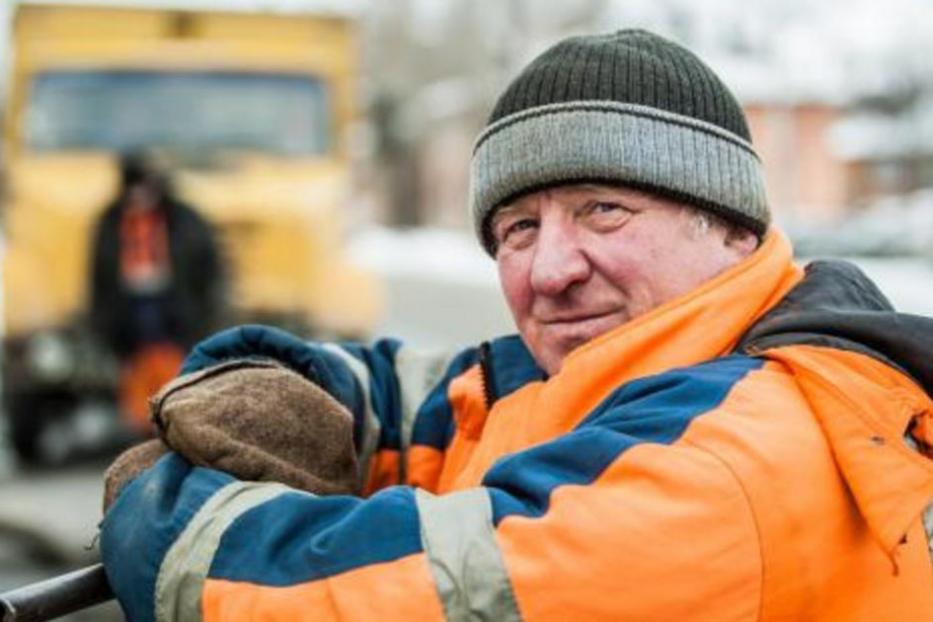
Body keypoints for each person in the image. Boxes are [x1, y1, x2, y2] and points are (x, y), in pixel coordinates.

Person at [100, 30, 933, 620]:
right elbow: (443, 399)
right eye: (518, 229)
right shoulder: (662, 363)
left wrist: (157, 507)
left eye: (603, 210)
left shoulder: (719, 468)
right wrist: (292, 381)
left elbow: (306, 597)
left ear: (733, 229)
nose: (549, 270)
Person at [89, 151, 226, 434]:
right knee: (137, 360)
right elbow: (99, 272)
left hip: (170, 302)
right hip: (129, 303)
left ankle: (174, 412)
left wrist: (203, 309)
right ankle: (142, 420)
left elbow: (205, 269)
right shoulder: (112, 221)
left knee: (171, 356)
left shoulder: (183, 220)